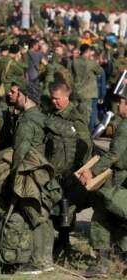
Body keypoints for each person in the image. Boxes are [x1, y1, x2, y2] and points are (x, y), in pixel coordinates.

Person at [79, 88, 127, 278]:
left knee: (100, 217)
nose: (119, 105)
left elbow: (114, 155)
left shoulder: (125, 126)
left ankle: (103, 264)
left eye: (122, 102)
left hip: (119, 178)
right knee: (122, 220)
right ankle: (121, 260)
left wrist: (93, 170)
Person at [10, 82, 55, 274]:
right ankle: (46, 259)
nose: (17, 97)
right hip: (44, 171)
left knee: (35, 215)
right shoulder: (42, 117)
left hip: (30, 173)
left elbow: (20, 152)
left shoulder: (27, 121)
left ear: (27, 98)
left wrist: (13, 177)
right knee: (44, 216)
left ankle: (38, 263)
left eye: (19, 95)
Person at [45, 82, 92, 250]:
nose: (54, 102)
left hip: (69, 169)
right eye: (52, 98)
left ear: (66, 97)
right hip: (53, 165)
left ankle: (64, 241)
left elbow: (86, 143)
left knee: (67, 206)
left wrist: (81, 168)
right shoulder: (52, 114)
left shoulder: (75, 117)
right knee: (53, 203)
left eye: (57, 99)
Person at [72, 44, 103, 129]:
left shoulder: (74, 61)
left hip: (76, 91)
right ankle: (86, 133)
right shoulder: (91, 63)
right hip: (88, 93)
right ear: (88, 52)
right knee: (87, 115)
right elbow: (100, 71)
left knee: (75, 113)